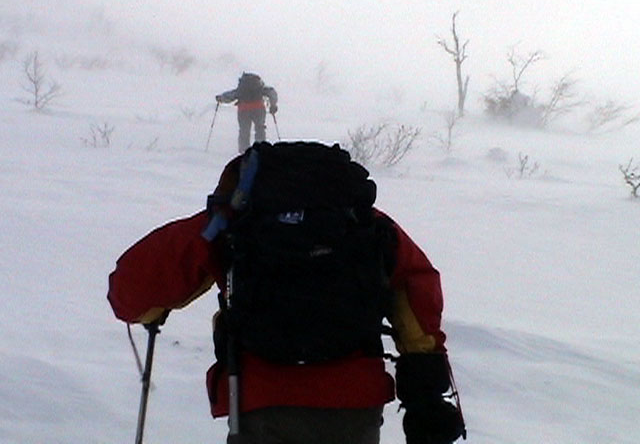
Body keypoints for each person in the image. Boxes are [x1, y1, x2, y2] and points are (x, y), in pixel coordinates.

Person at [108, 141, 466, 444]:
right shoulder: (366, 226)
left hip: (259, 403)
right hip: (354, 405)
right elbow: (417, 291)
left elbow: (131, 291)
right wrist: (425, 396)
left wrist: (152, 311)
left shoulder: (234, 224)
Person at [216, 72, 278, 152]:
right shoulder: (259, 87)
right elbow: (271, 93)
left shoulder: (242, 89)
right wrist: (273, 105)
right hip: (258, 109)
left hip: (244, 109)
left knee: (244, 132)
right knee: (260, 129)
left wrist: (221, 98)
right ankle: (260, 150)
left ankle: (244, 151)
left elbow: (231, 95)